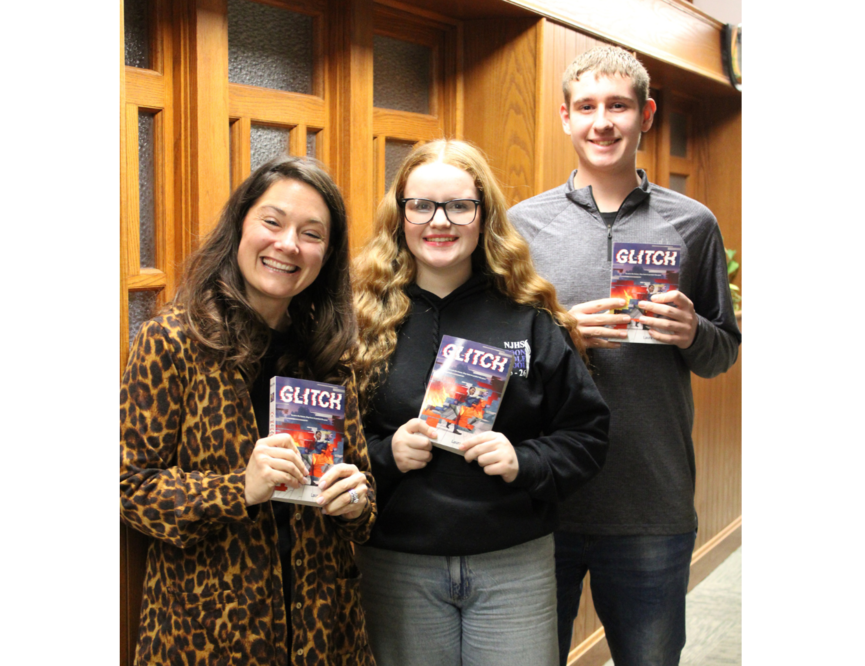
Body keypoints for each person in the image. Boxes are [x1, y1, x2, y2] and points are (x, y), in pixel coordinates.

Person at [507, 46, 743, 666]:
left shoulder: (694, 224)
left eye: (618, 105)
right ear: (564, 117)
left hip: (651, 502)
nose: (601, 122)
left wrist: (694, 331)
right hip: (541, 498)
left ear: (647, 115)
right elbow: (495, 361)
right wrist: (559, 333)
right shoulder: (520, 227)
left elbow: (722, 354)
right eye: (586, 107)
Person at [351, 139, 611, 666]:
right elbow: (323, 444)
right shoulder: (358, 319)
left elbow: (586, 435)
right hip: (399, 563)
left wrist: (524, 460)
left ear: (483, 214)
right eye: (420, 205)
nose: (439, 221)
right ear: (399, 215)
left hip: (513, 563)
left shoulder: (530, 318)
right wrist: (385, 454)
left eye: (459, 206)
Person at [118, 156, 377, 666]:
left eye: (311, 233)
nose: (288, 245)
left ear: (327, 254)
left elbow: (364, 493)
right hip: (207, 633)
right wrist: (239, 489)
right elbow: (131, 489)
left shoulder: (325, 352)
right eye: (273, 222)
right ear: (240, 226)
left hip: (322, 630)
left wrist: (355, 501)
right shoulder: (173, 341)